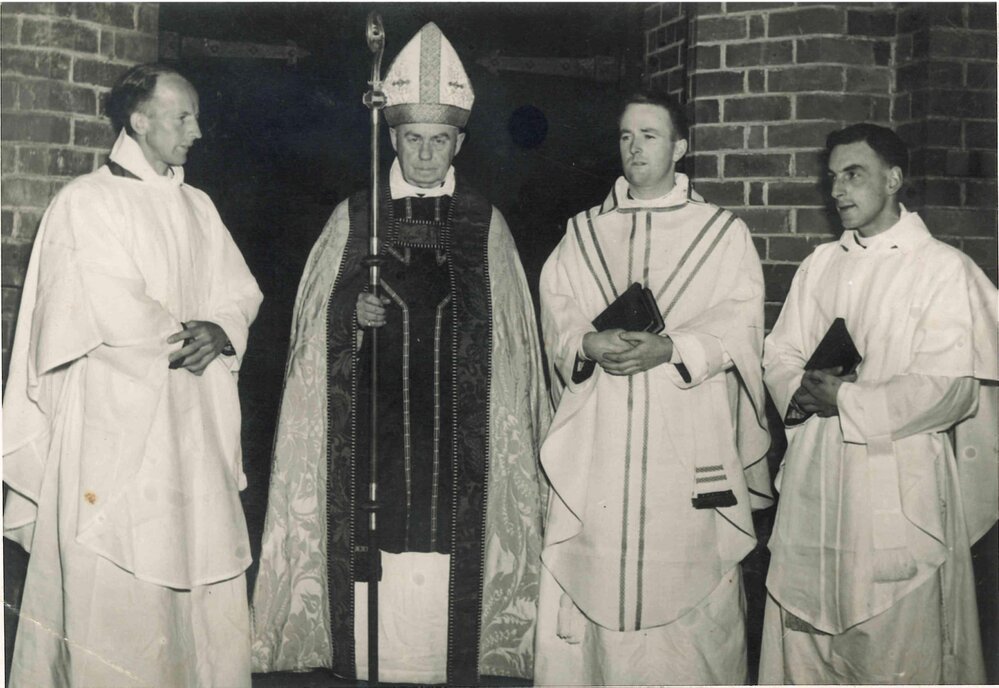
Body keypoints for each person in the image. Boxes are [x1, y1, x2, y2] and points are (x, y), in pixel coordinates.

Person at [250, 22, 549, 685]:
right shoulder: (357, 217)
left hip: (456, 439)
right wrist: (348, 317)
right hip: (373, 429)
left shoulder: (483, 222)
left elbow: (514, 342)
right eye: (412, 138)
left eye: (439, 140)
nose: (424, 154)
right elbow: (306, 330)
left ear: (460, 143)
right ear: (391, 138)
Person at [3, 63, 263, 687]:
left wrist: (222, 331)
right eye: (183, 117)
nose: (197, 131)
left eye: (197, 116)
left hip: (192, 423)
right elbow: (103, 304)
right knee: (119, 592)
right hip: (116, 425)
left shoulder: (198, 206)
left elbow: (239, 290)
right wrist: (186, 335)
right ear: (138, 120)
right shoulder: (86, 203)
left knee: (198, 580)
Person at [534, 92, 773, 685]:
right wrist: (587, 345)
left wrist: (673, 348)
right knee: (597, 567)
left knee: (690, 581)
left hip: (685, 432)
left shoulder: (721, 233)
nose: (634, 148)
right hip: (603, 432)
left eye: (649, 135)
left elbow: (741, 324)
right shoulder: (584, 232)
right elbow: (557, 312)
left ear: (680, 147)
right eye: (625, 136)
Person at [760, 123, 998, 684]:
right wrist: (801, 387)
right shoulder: (820, 265)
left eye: (854, 175)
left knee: (894, 649)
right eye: (833, 178)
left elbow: (953, 390)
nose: (838, 190)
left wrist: (847, 399)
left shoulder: (942, 269)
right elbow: (780, 353)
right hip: (818, 476)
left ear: (893, 179)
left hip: (896, 483)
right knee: (807, 648)